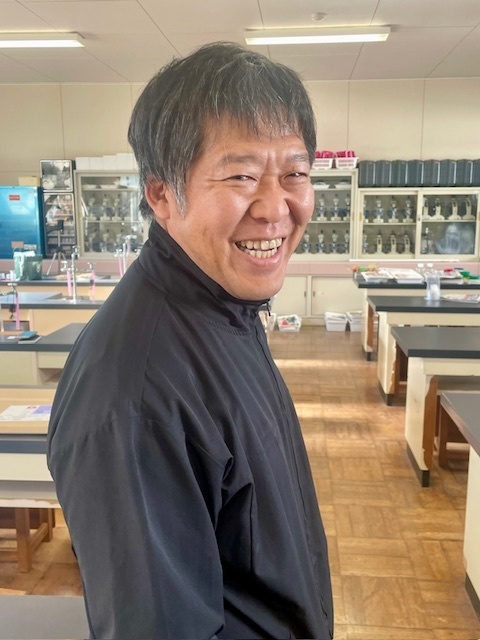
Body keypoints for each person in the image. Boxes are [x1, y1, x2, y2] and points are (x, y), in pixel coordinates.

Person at [47, 42, 333, 640]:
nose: (276, 206)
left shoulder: (226, 309)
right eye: (242, 176)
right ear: (161, 195)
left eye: (295, 173)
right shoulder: (136, 396)